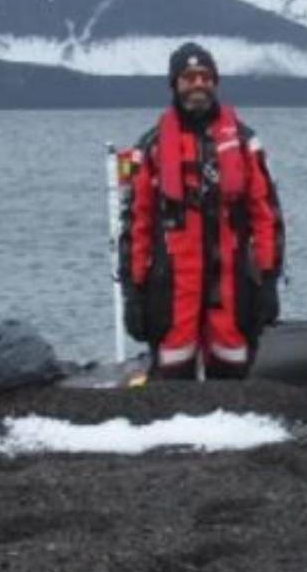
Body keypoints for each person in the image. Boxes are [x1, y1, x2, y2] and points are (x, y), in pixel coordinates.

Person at [119, 42, 285, 379]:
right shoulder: (151, 147)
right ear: (174, 84)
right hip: (171, 286)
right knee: (171, 369)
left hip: (232, 283)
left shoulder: (243, 142)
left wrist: (268, 281)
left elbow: (266, 215)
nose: (198, 85)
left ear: (215, 83)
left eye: (205, 77)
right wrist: (133, 293)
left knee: (234, 365)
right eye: (188, 77)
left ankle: (238, 428)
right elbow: (137, 224)